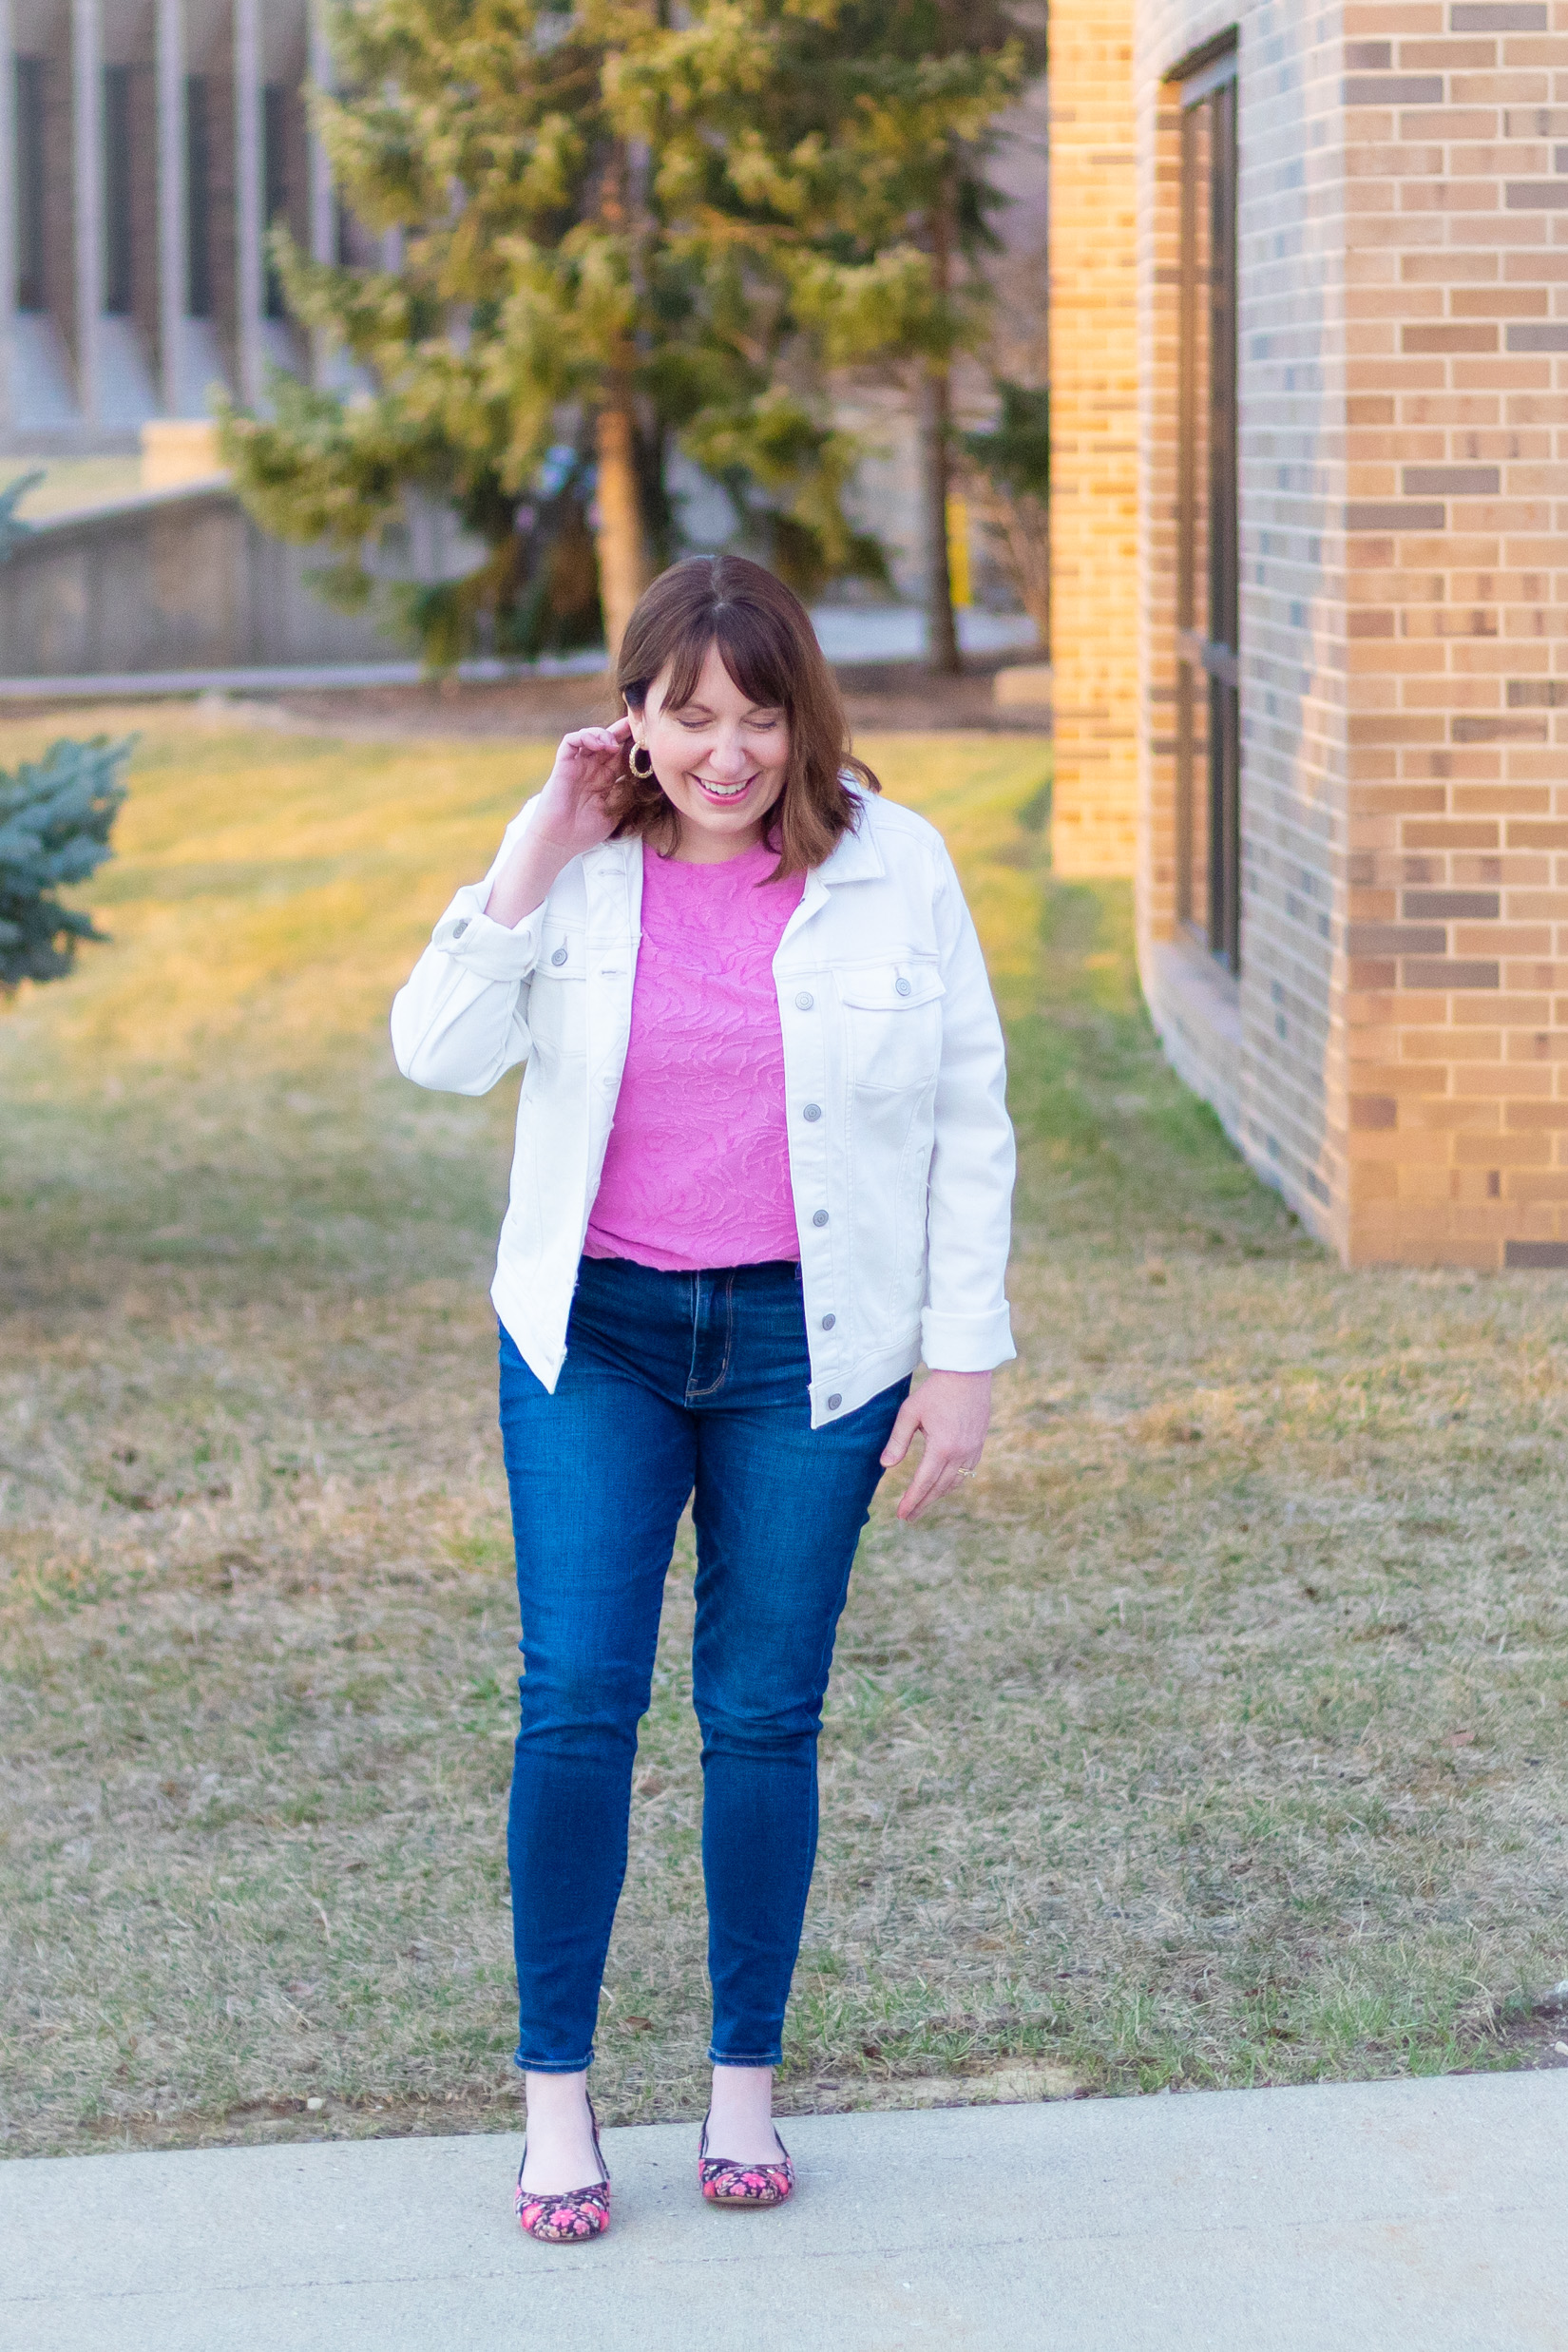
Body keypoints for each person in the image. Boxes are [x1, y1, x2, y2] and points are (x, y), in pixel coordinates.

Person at [391, 554, 1015, 2242]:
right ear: (635, 717)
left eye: (754, 717)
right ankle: (557, 2106)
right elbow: (436, 1050)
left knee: (760, 1714)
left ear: (801, 712)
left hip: (811, 1353)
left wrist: (961, 1357)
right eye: (687, 717)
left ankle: (744, 2084)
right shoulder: (580, 868)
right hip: (593, 1339)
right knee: (576, 1701)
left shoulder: (897, 869)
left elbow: (970, 1113)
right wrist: (538, 841)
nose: (723, 754)